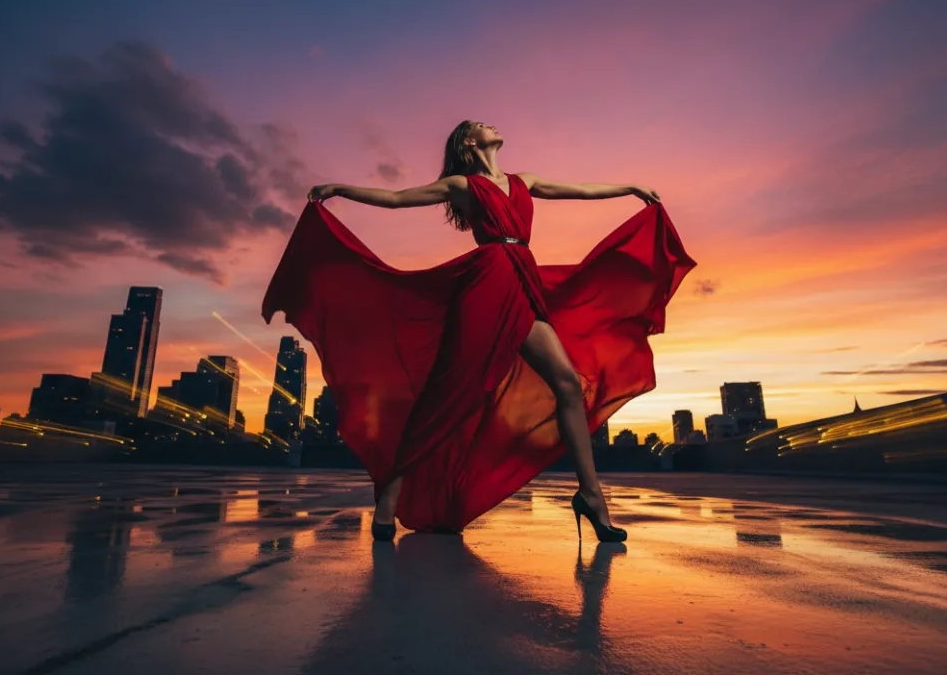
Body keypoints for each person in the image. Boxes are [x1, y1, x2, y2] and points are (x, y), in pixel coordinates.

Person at [261, 120, 696, 542]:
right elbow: (395, 199)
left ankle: (590, 496)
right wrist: (339, 190)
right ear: (469, 143)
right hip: (486, 284)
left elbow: (580, 191)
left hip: (523, 280)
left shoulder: (524, 181)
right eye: (480, 124)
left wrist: (630, 189)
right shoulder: (462, 186)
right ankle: (391, 492)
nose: (492, 124)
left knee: (567, 384)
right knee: (448, 393)